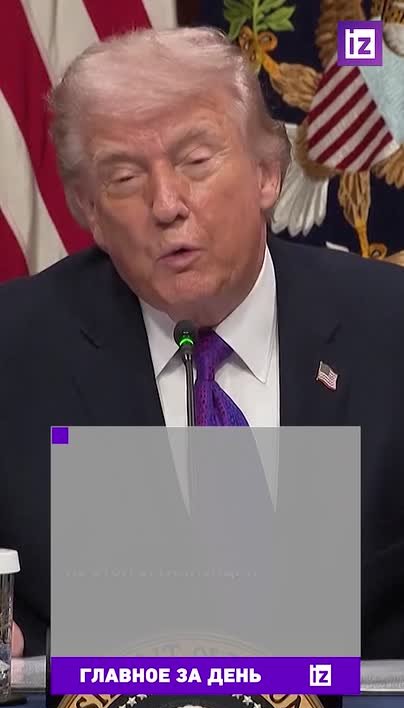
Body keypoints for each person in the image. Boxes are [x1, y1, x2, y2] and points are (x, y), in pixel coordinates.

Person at [1, 27, 403, 660]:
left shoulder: (390, 328)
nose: (166, 205)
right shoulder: (14, 349)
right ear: (89, 211)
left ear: (267, 174)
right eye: (124, 176)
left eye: (195, 161)